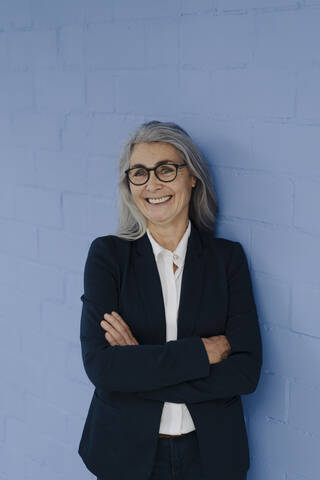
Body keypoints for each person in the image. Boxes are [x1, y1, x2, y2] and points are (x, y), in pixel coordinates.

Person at [78, 121, 262, 480]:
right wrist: (200, 354)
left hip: (211, 456)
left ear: (192, 177)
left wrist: (135, 366)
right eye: (139, 173)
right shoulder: (108, 256)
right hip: (123, 453)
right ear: (129, 185)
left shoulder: (228, 260)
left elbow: (245, 372)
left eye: (165, 169)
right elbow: (101, 367)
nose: (152, 184)